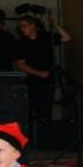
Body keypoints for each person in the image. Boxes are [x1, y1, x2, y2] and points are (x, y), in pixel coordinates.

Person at [13, 12, 71, 146]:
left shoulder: (46, 37)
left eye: (25, 26)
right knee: (29, 111)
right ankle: (30, 141)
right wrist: (38, 73)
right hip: (31, 82)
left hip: (48, 81)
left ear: (33, 26)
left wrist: (55, 25)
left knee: (45, 111)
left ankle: (45, 140)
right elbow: (20, 64)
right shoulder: (21, 43)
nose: (22, 29)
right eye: (21, 26)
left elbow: (67, 38)